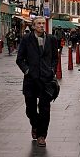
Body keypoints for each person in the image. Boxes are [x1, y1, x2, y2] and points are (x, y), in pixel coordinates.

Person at [16, 16, 59, 146]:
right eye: (38, 23)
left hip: (46, 80)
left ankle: (41, 135)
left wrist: (51, 70)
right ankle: (35, 125)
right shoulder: (26, 39)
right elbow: (20, 59)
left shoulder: (51, 39)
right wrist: (27, 70)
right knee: (30, 108)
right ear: (33, 26)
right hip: (31, 80)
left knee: (45, 109)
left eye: (43, 23)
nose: (41, 25)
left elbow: (55, 58)